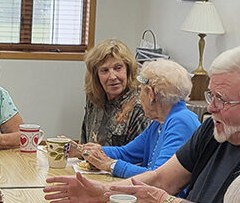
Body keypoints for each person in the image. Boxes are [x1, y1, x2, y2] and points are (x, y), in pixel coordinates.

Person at [43, 45, 240, 203]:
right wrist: (103, 193)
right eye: (211, 96)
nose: (210, 108)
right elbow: (162, 178)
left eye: (221, 99)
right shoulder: (214, 129)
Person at [71, 59, 199, 178]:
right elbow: (126, 153)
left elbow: (158, 177)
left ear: (150, 94)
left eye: (140, 90)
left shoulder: (181, 122)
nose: (139, 95)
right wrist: (81, 150)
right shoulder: (159, 122)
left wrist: (111, 165)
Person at [79, 38, 149, 146]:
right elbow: (85, 141)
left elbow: (139, 158)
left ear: (128, 70)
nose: (112, 77)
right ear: (96, 75)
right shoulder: (93, 96)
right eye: (104, 70)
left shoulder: (140, 107)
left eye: (118, 68)